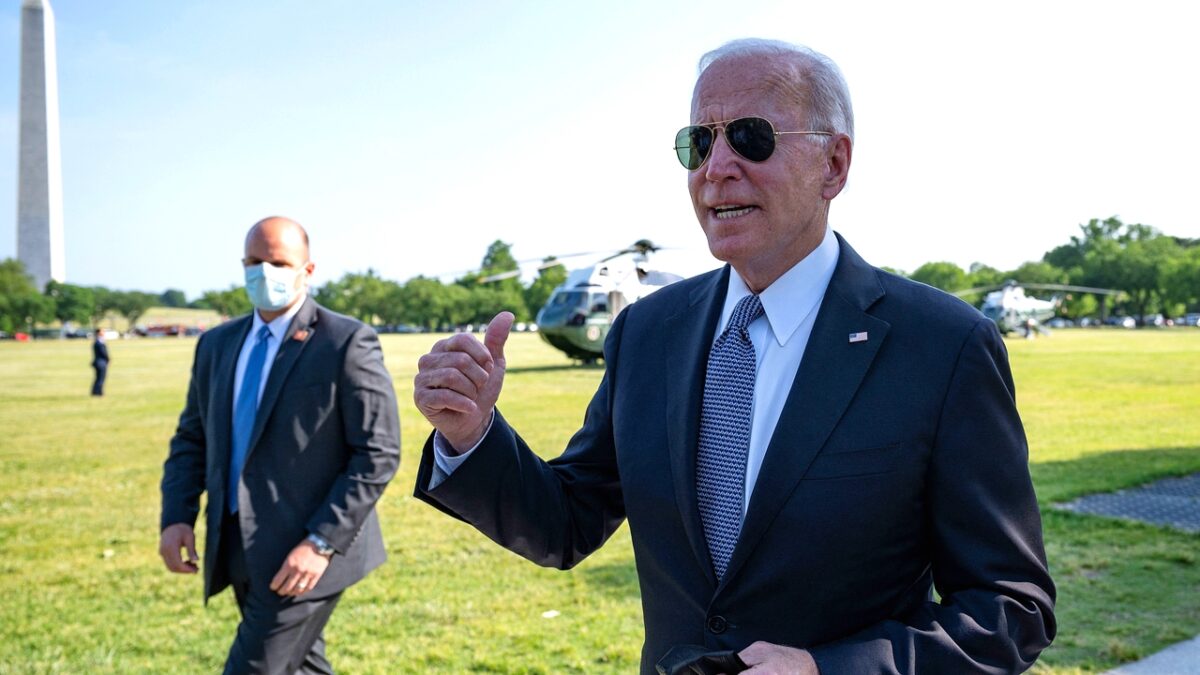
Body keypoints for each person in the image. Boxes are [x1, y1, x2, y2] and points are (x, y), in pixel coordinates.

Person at [413, 39, 1056, 674]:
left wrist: (827, 669)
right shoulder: (647, 332)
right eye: (698, 143)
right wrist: (471, 435)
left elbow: (1010, 609)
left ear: (833, 164)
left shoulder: (941, 345)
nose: (715, 167)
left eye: (750, 137)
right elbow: (567, 523)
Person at [159, 216, 401, 674]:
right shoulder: (216, 344)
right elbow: (192, 439)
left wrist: (321, 542)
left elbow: (378, 451)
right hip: (234, 544)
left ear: (307, 271)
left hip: (305, 551)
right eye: (254, 261)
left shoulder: (345, 342)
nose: (264, 272)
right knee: (302, 667)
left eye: (278, 262)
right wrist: (176, 516)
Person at [90, 328, 109, 396]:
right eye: (102, 331)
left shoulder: (97, 341)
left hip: (98, 362)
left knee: (98, 378)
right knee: (100, 378)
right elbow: (103, 353)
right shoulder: (99, 342)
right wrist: (108, 359)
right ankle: (98, 392)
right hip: (101, 363)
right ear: (98, 333)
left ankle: (95, 392)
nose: (104, 332)